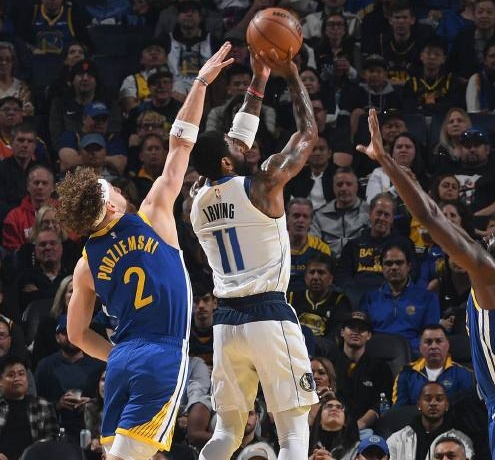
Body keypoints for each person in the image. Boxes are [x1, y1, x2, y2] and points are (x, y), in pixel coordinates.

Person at [56, 42, 235, 460]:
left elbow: (77, 334)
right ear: (111, 206)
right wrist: (200, 84)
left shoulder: (85, 265)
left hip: (122, 361)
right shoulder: (153, 214)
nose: (120, 190)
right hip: (162, 353)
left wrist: (116, 354)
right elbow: (180, 144)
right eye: (114, 189)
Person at [357, 108, 495, 458]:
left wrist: (387, 163)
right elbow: (445, 221)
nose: (487, 235)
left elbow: (431, 217)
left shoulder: (494, 276)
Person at [190, 46, 319, 459]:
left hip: (226, 323)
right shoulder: (263, 185)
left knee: (227, 432)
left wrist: (259, 79)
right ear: (227, 162)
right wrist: (292, 73)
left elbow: (236, 139)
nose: (242, 143)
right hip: (268, 313)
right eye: (234, 145)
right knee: (294, 431)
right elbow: (308, 134)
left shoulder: (196, 200)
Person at [0, 355, 58, 460]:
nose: (17, 379)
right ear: (0, 381)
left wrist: (32, 454)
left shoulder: (43, 406)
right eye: (11, 375)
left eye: (21, 374)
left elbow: (52, 440)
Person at [393, 325, 474, 405]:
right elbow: (399, 410)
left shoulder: (464, 374)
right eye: (428, 342)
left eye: (439, 341)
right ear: (420, 346)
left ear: (447, 345)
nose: (434, 346)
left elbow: (468, 408)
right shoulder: (406, 374)